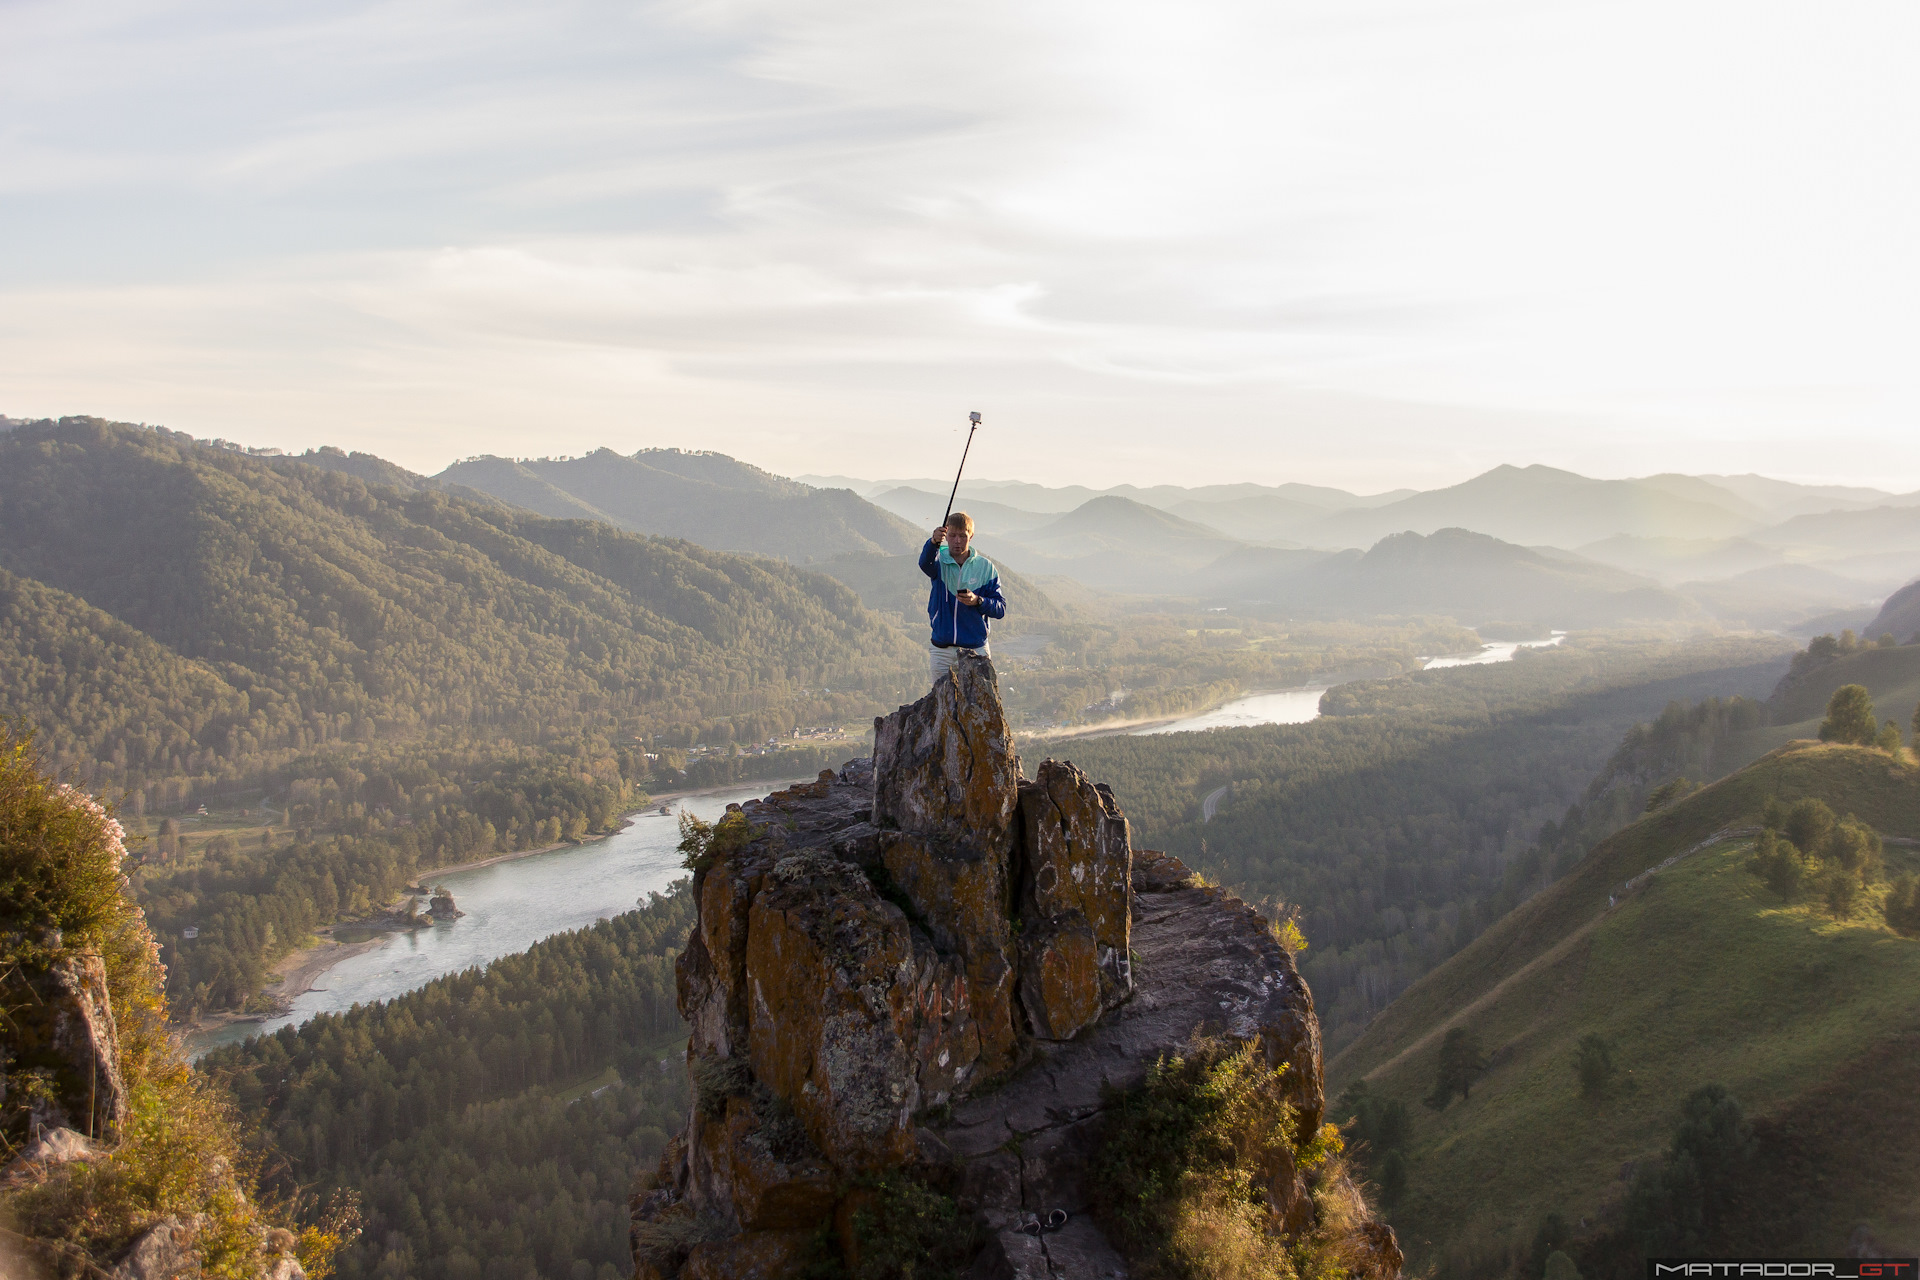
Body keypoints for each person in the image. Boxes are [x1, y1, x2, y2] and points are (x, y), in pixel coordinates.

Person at [920, 511, 1005, 683]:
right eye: (952, 535)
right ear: (946, 536)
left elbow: (1000, 609)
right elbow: (924, 564)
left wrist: (978, 601)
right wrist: (932, 543)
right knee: (941, 701)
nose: (957, 541)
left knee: (979, 704)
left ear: (971, 536)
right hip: (942, 649)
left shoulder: (985, 568)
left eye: (962, 536)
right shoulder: (939, 563)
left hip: (975, 649)